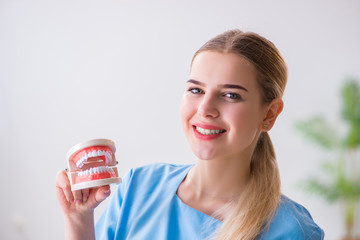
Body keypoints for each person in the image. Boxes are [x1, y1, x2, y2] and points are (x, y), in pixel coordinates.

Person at [56, 29, 324, 240]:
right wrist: (78, 219)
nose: (205, 109)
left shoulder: (293, 230)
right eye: (196, 90)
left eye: (231, 95)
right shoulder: (138, 187)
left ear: (269, 114)